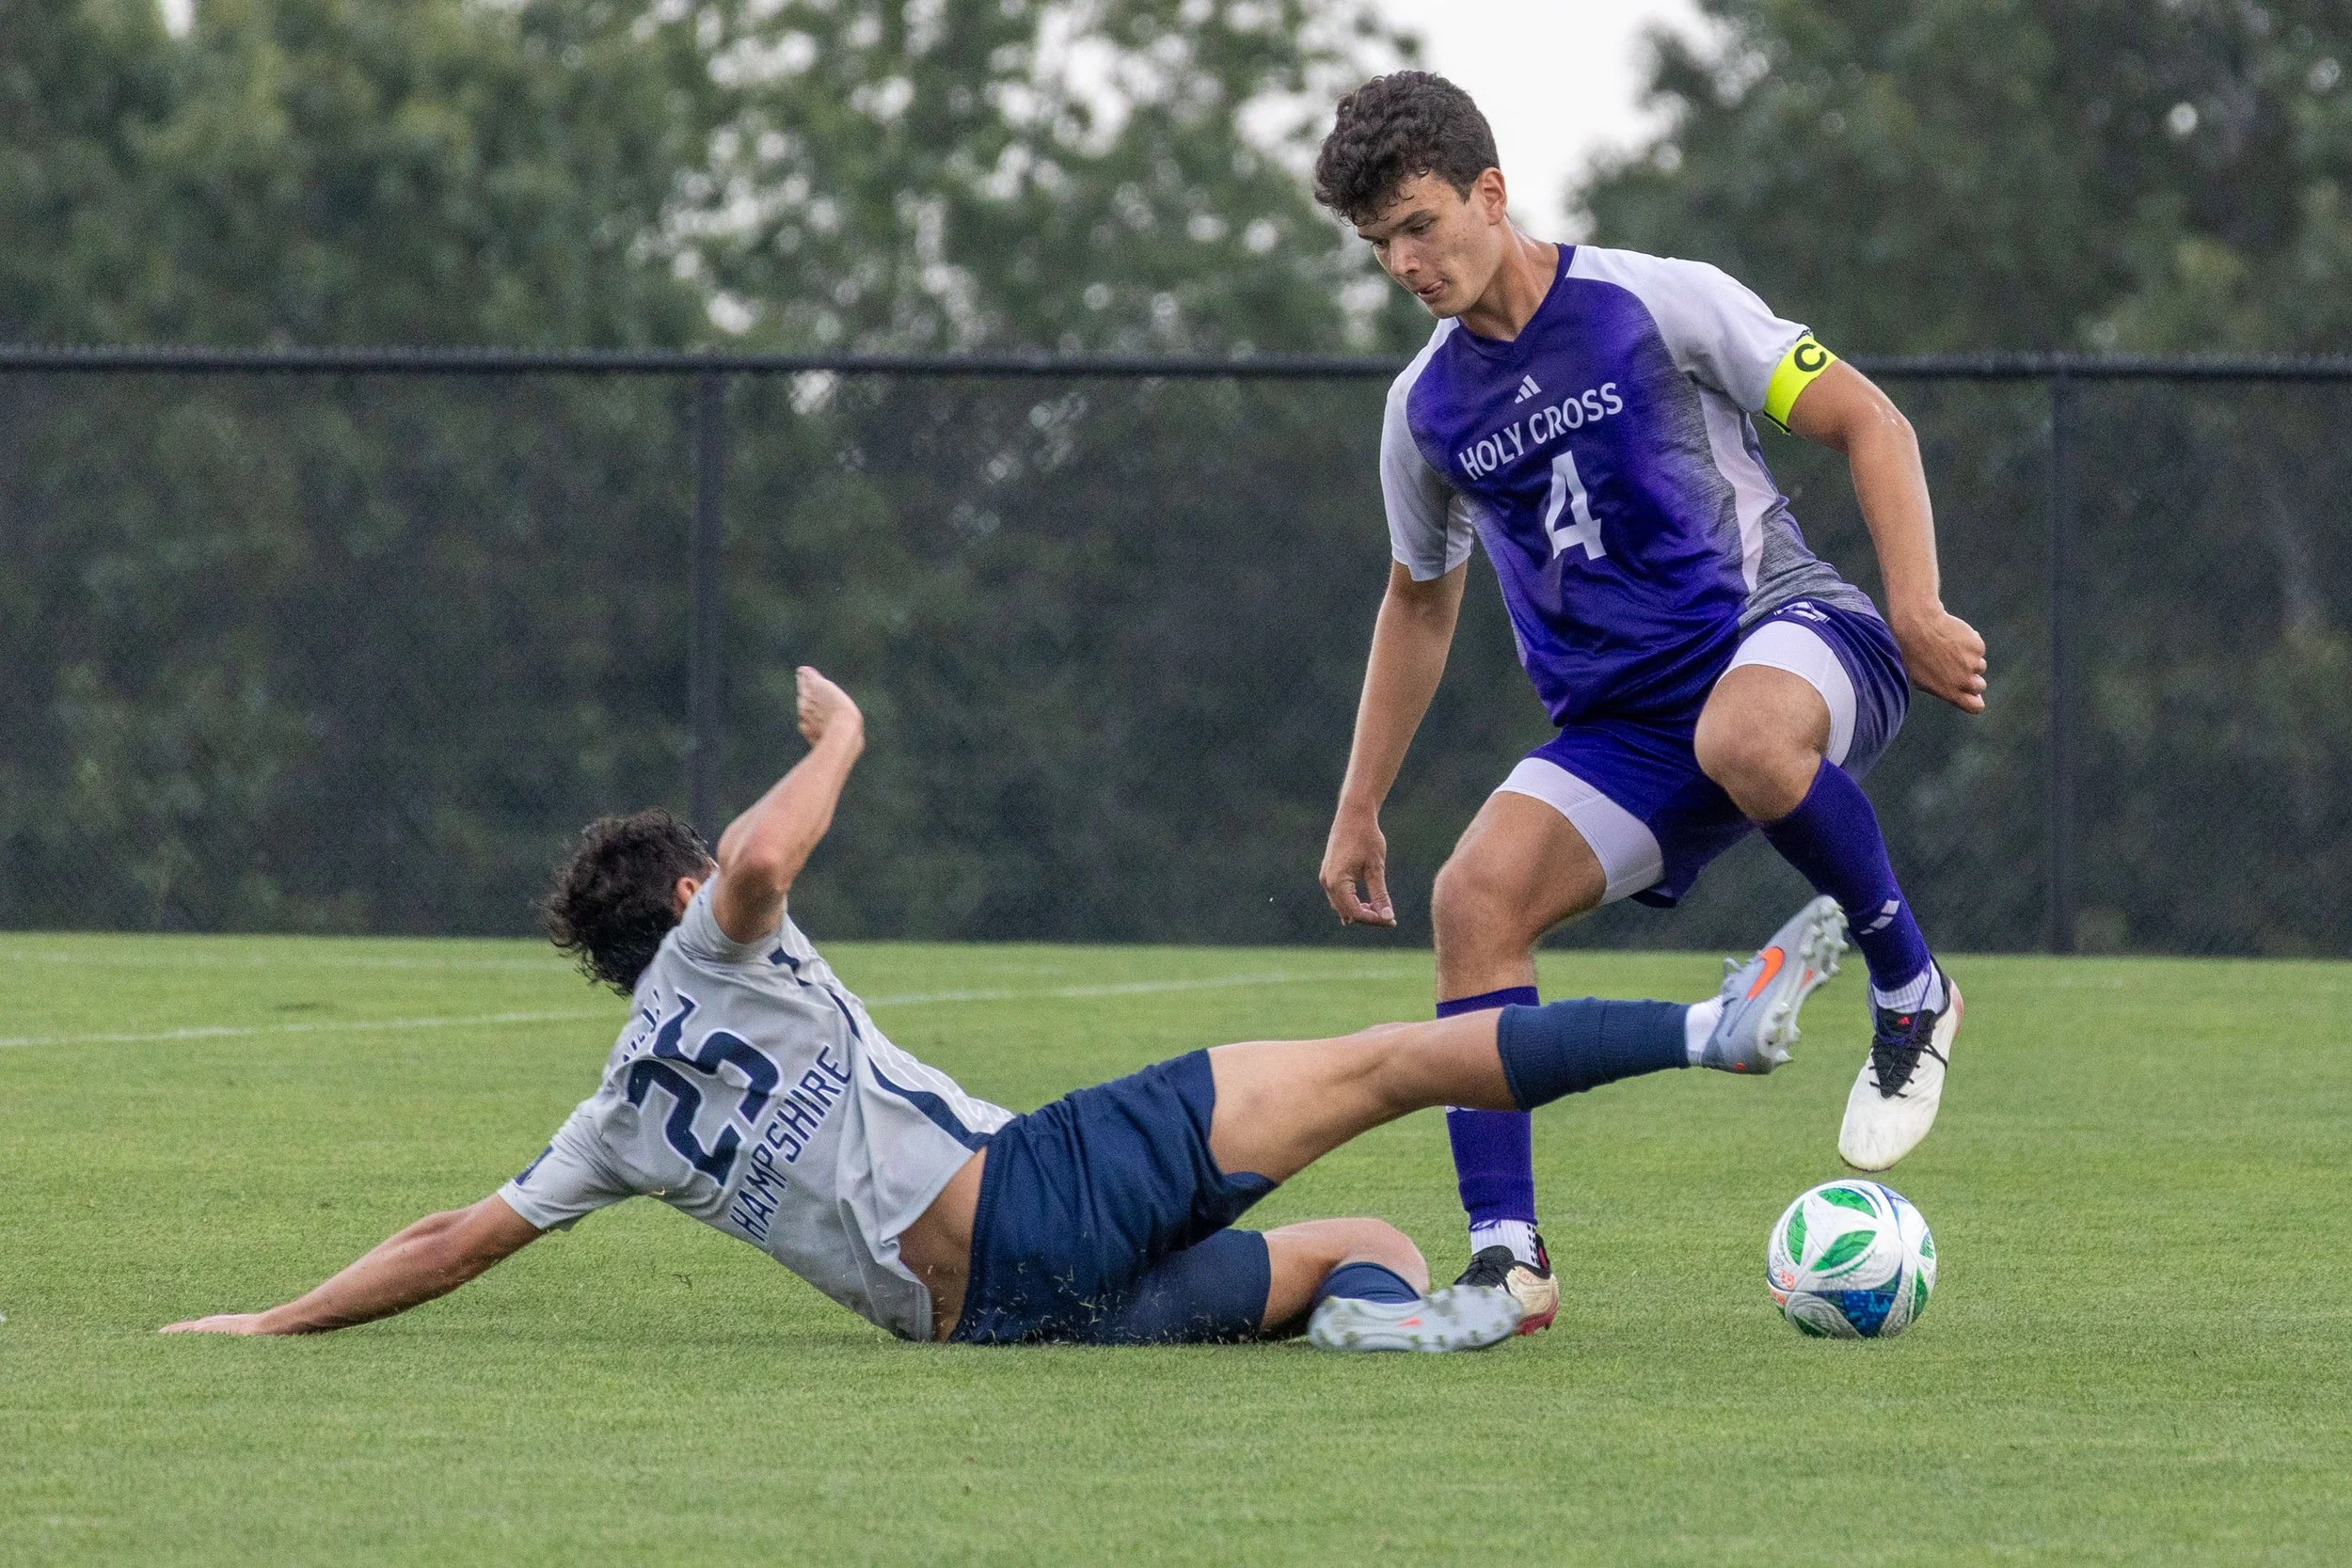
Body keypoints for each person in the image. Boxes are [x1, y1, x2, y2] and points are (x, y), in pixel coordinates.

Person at [163, 669, 1847, 1352]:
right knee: (1395, 1058)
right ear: (675, 904)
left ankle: (1417, 1321)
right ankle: (1719, 1028)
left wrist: (267, 1321)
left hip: (1014, 1320)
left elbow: (452, 1233)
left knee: (1375, 1245)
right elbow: (759, 856)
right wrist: (841, 737)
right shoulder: (718, 937)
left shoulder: (617, 1116)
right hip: (1040, 1187)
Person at [1308, 72, 1984, 1335]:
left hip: (1788, 635)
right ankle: (1509, 1261)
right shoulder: (1425, 409)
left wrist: (1919, 606)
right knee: (1476, 895)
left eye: (1418, 226)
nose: (1404, 263)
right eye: (1378, 244)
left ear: (1491, 195)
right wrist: (1360, 808)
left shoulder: (1650, 300)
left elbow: (1868, 421)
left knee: (1744, 732)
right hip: (1625, 732)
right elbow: (1417, 603)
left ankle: (1910, 983)